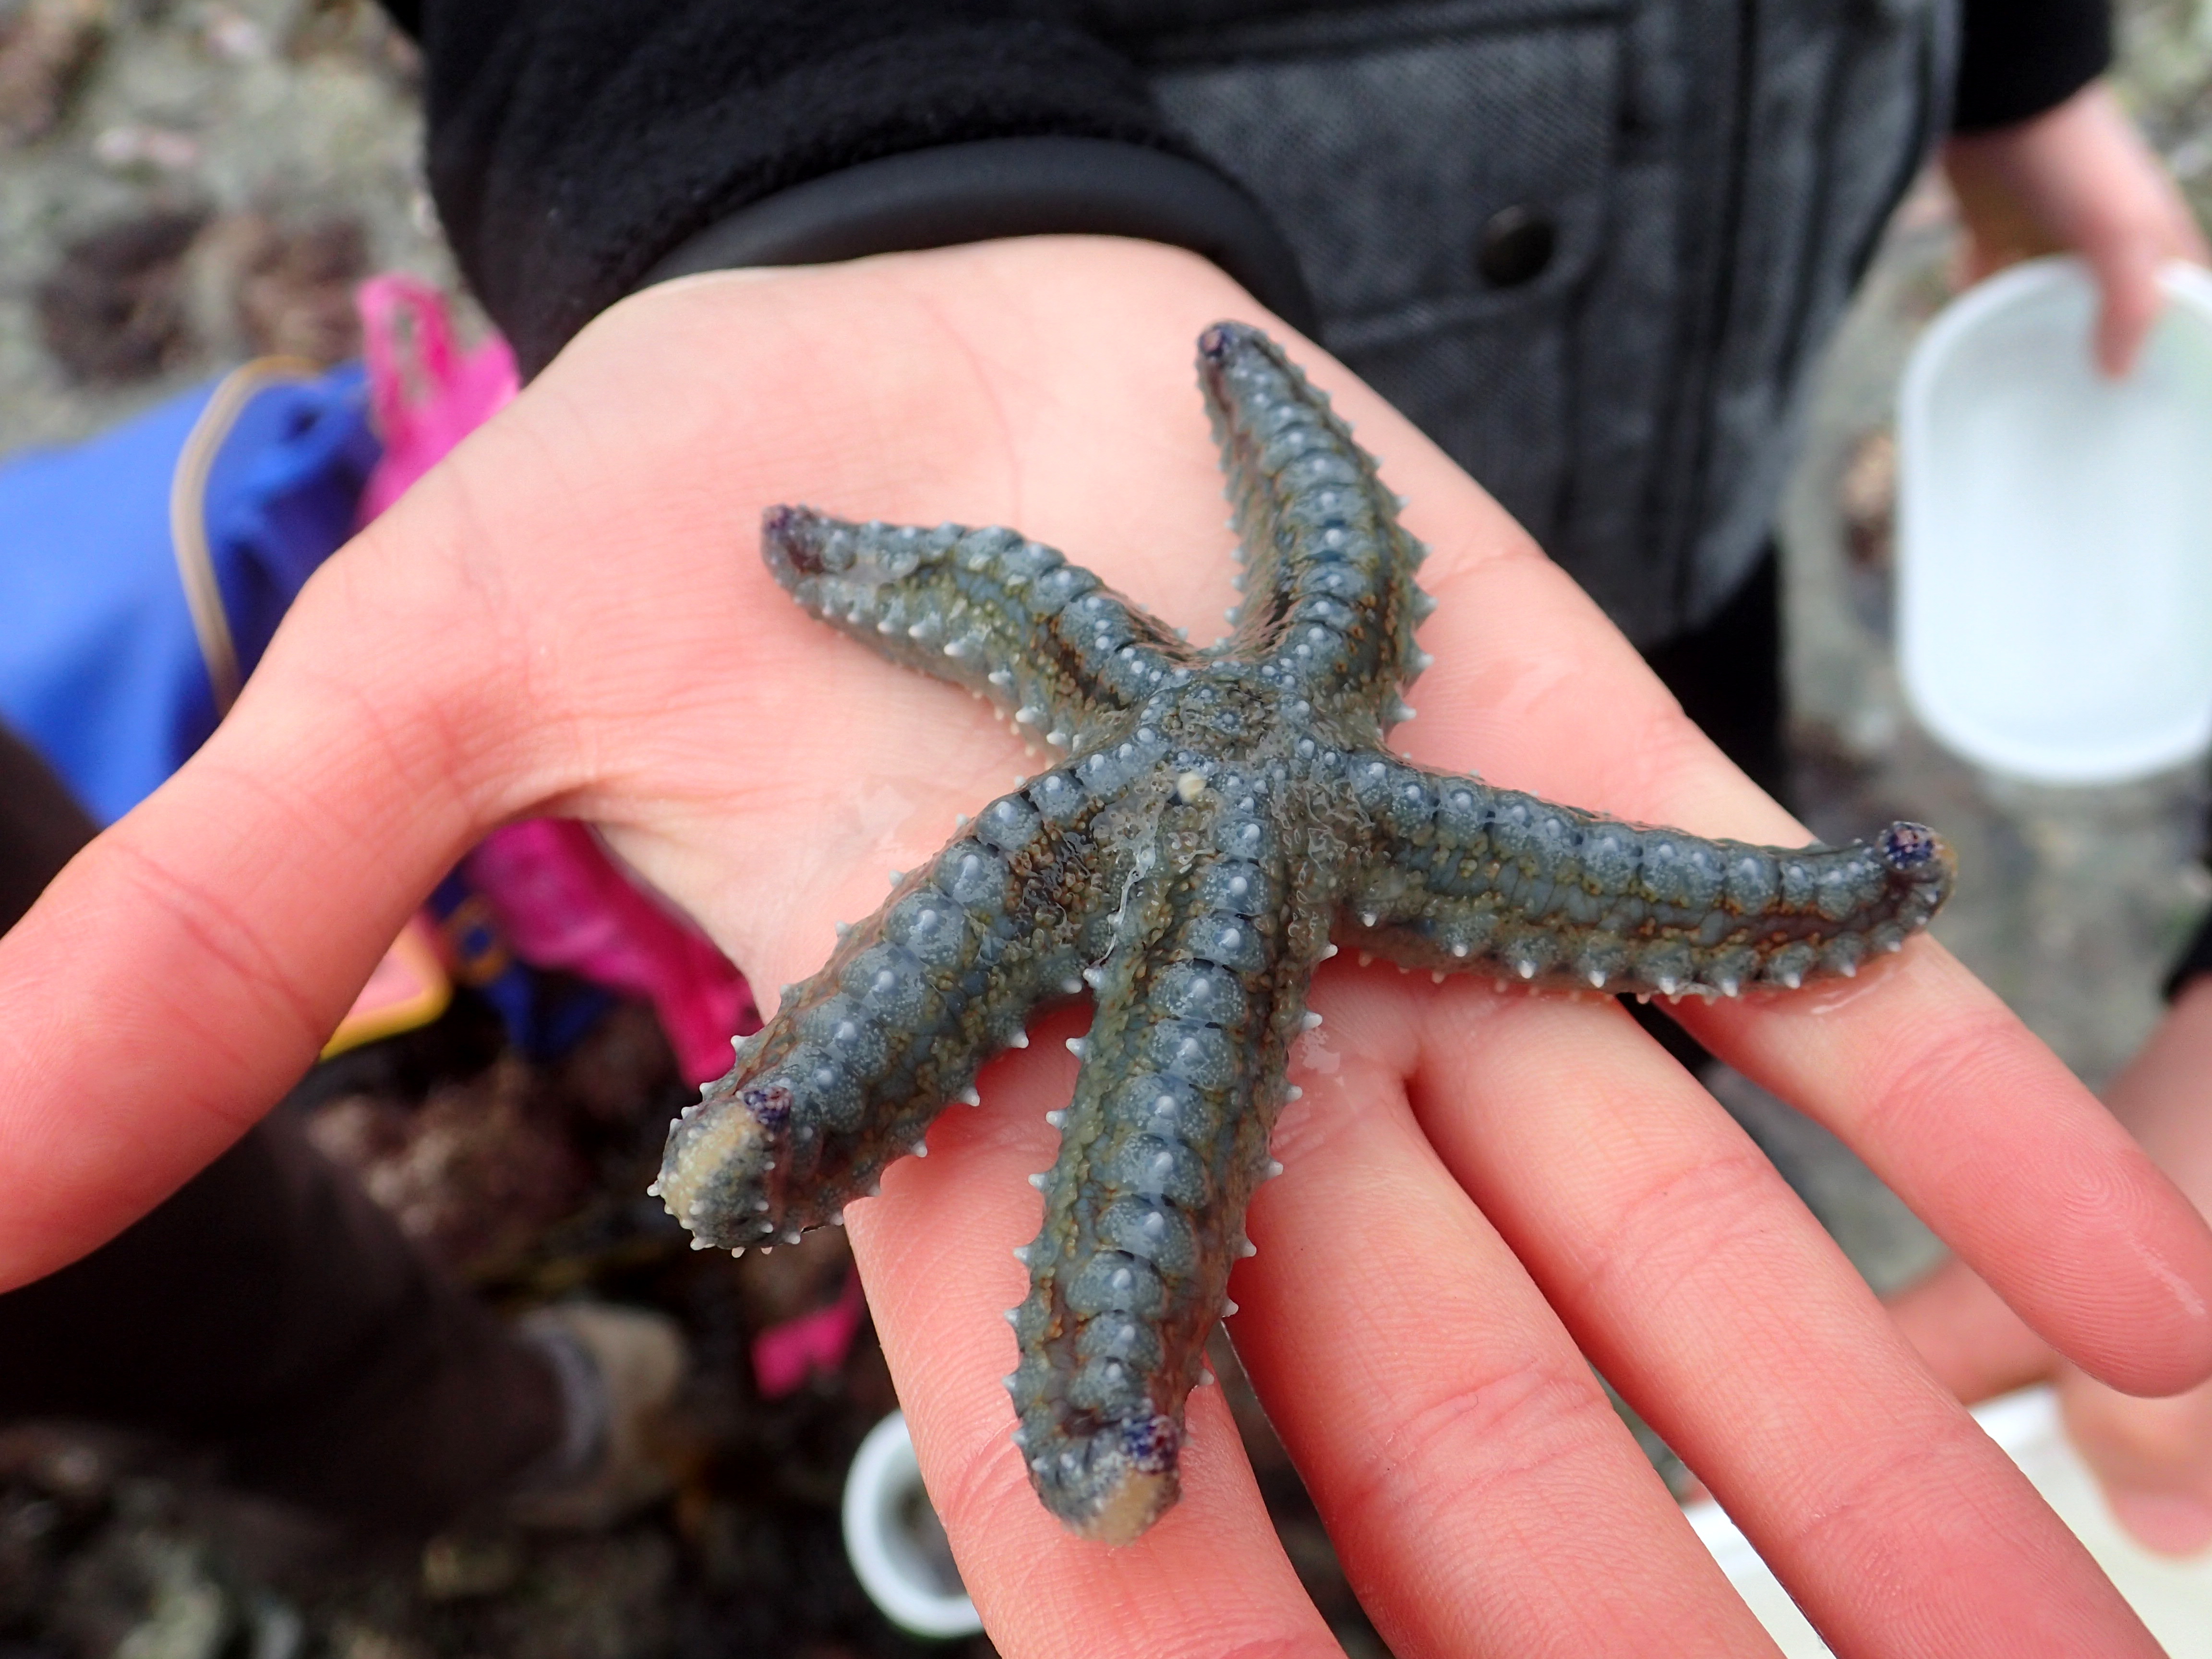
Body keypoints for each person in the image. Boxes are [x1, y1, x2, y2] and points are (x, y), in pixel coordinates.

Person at [2, 1, 2210, 1654]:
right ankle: (1119, 1427)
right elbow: (1155, 548)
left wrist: (2010, 71)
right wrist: (777, 163)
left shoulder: (1242, 670)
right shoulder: (1238, 683)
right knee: (1141, 1102)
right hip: (1007, 157)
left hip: (1678, 483)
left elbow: (1309, 557)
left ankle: (1131, 1418)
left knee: (1612, 985)